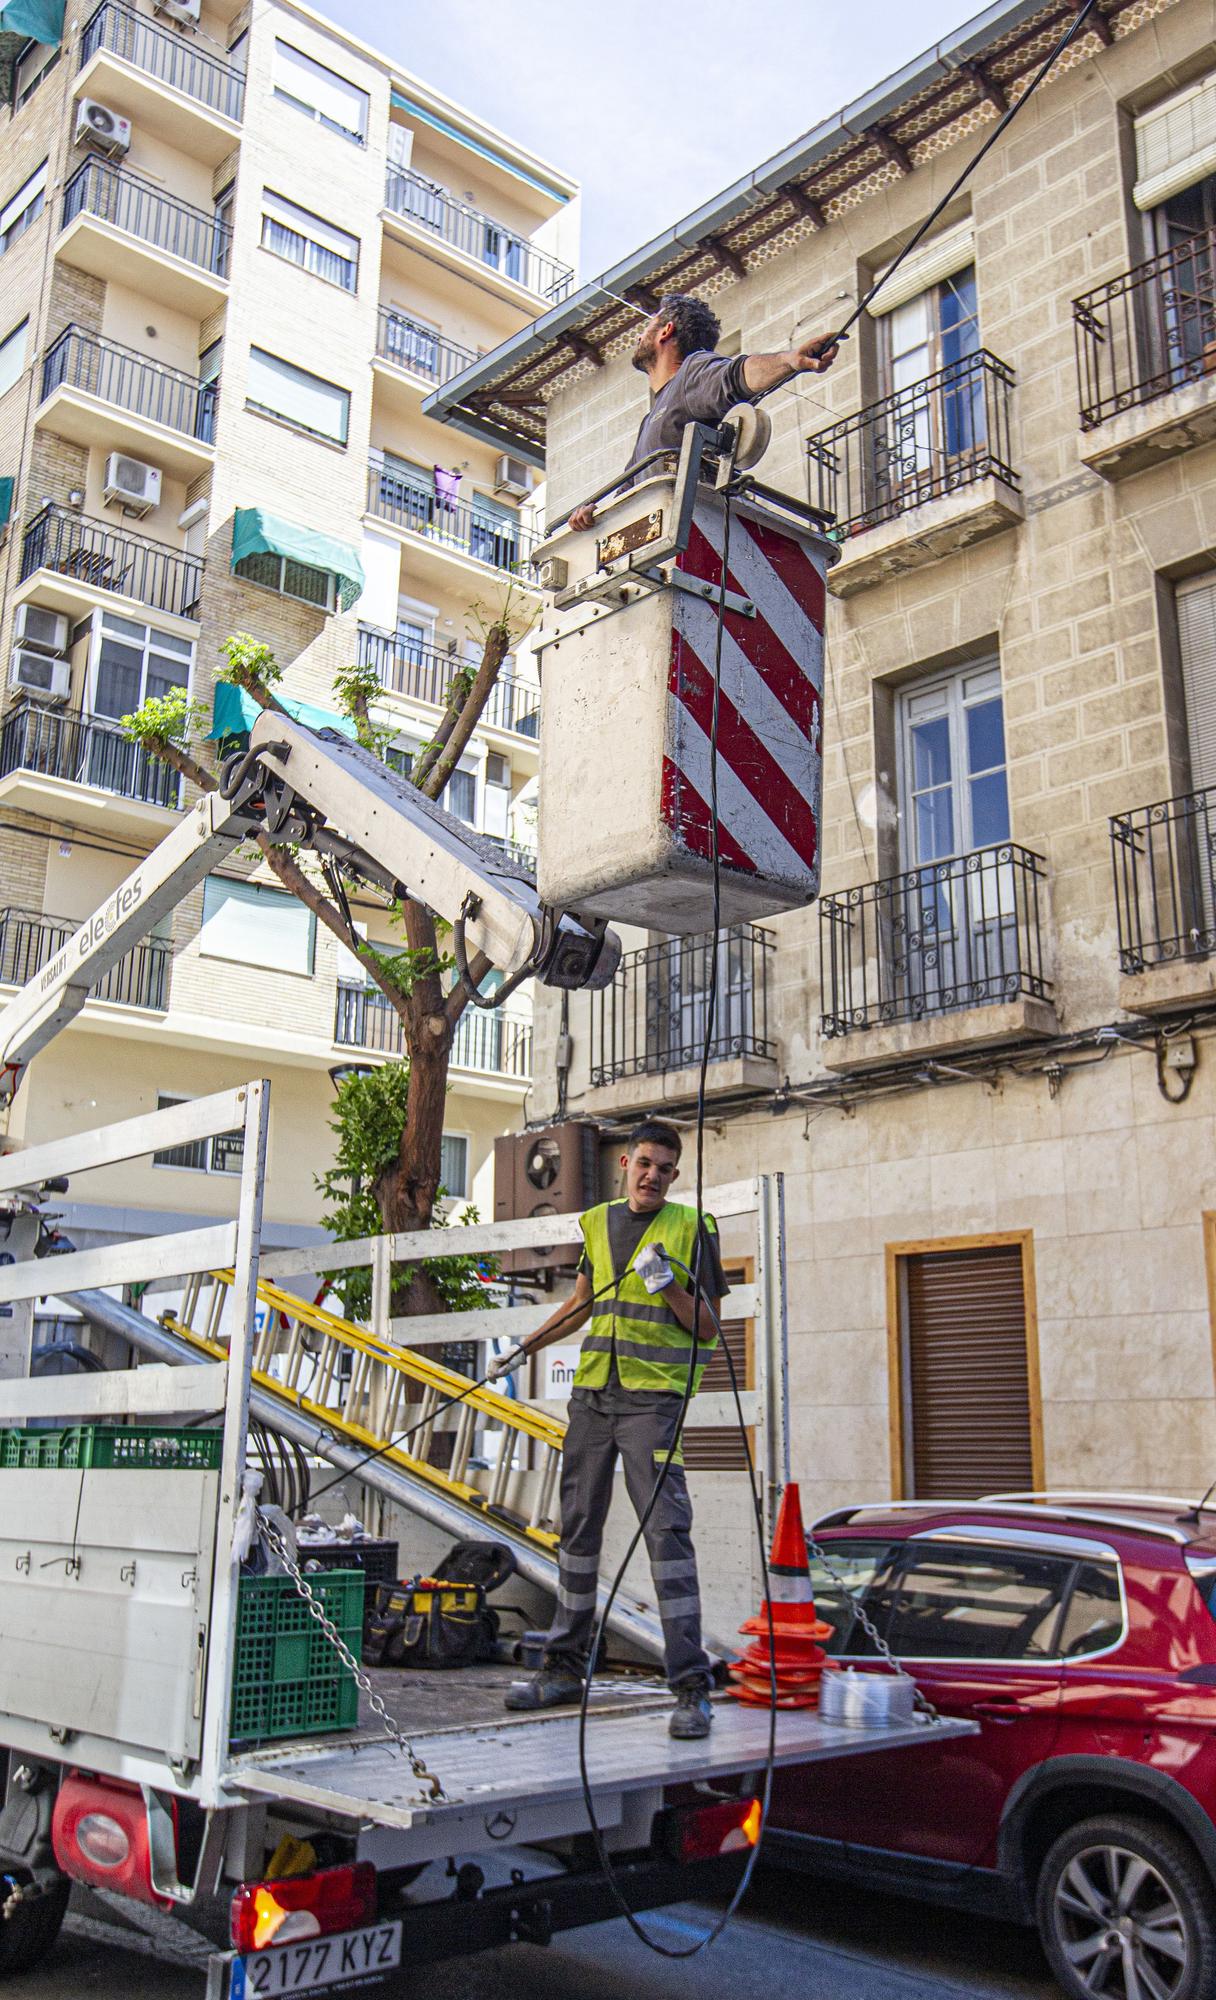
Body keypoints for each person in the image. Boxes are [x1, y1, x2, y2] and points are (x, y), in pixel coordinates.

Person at [488, 1118, 729, 1739]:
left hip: (653, 1404)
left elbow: (706, 1326)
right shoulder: (596, 1222)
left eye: (666, 1169)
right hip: (593, 1399)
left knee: (666, 1536)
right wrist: (523, 1347)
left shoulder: (694, 1228)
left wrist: (669, 1283)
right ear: (626, 1162)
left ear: (676, 1176)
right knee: (577, 1532)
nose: (653, 1176)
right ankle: (563, 1669)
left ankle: (691, 1689)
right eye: (645, 1163)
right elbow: (584, 1304)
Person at [567, 292, 839, 531]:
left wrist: (789, 360)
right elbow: (629, 490)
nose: (638, 336)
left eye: (646, 327)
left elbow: (735, 377)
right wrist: (594, 515)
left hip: (695, 530)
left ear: (665, 331)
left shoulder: (692, 371)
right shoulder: (649, 420)